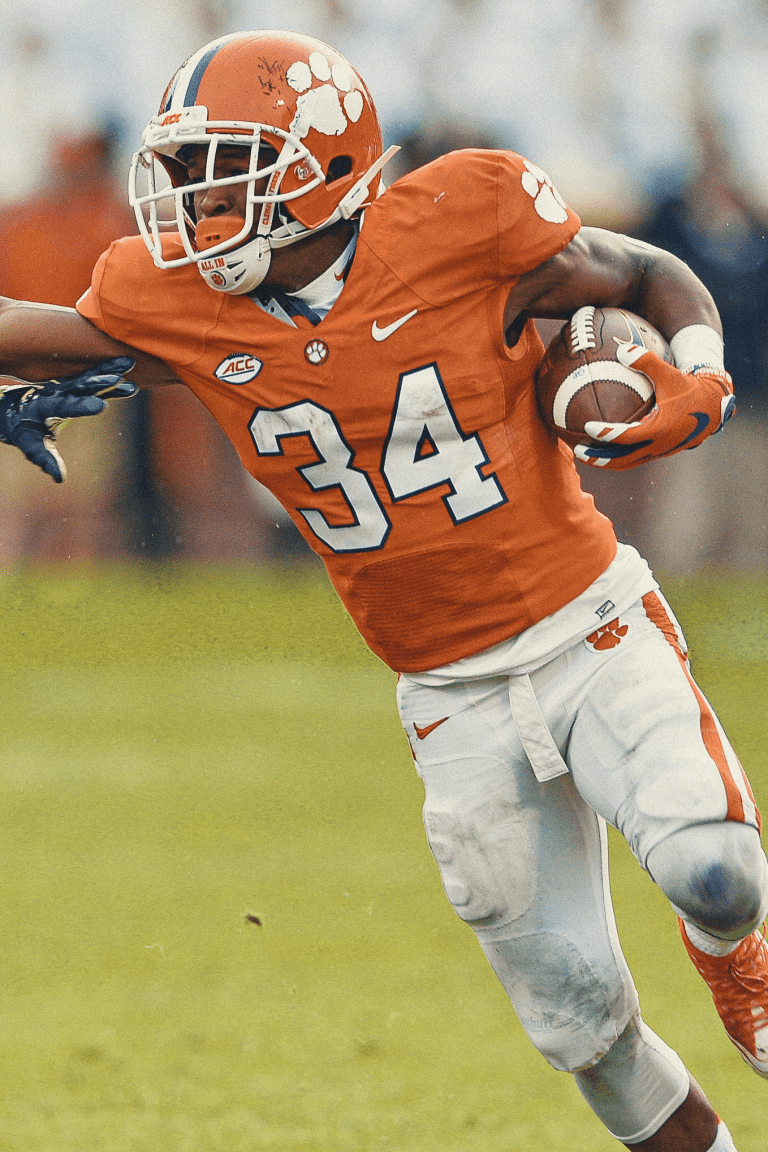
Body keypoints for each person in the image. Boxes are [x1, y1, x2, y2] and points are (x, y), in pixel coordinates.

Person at [0, 30, 766, 1152]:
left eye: (222, 172)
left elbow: (649, 271)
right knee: (581, 1033)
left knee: (714, 868)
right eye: (184, 174)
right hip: (446, 691)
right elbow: (32, 334)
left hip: (587, 624)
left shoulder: (465, 219)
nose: (191, 204)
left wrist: (697, 364)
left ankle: (738, 957)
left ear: (316, 166)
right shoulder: (170, 302)